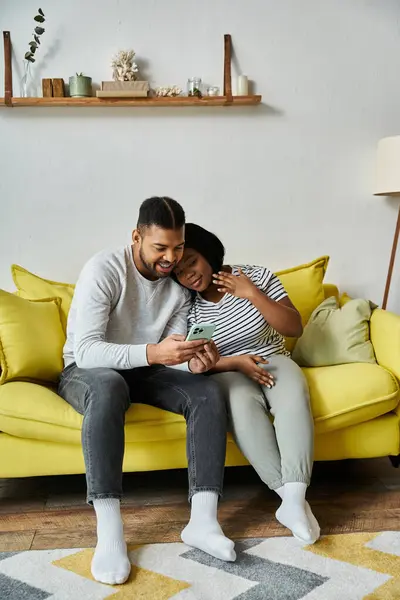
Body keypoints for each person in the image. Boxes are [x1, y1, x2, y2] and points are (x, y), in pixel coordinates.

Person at [58, 199, 236, 586]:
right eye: (160, 248)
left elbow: (169, 350)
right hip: (86, 370)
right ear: (136, 237)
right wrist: (154, 352)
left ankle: (203, 523)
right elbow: (87, 350)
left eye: (178, 247)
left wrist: (192, 363)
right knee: (108, 386)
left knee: (206, 391)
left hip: (146, 369)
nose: (171, 258)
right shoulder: (104, 269)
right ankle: (110, 531)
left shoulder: (177, 284)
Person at [174, 223, 320, 545]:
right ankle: (289, 500)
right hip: (228, 372)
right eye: (180, 271)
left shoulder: (256, 275)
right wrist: (235, 363)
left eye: (193, 262)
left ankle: (294, 499)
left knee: (293, 394)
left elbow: (293, 327)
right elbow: (196, 363)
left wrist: (252, 293)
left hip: (272, 359)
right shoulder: (188, 306)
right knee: (240, 406)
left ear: (209, 254)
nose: (189, 275)